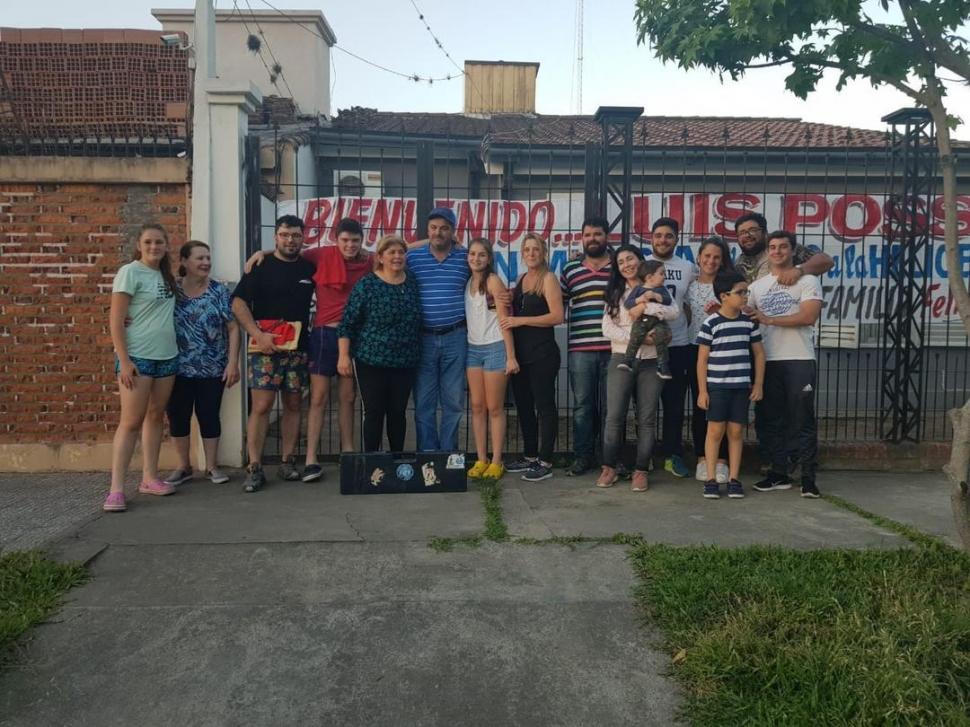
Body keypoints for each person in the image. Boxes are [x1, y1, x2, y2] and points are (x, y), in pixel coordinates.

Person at [243, 217, 371, 481]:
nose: (350, 245)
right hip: (323, 333)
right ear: (336, 239)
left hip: (353, 334)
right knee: (316, 398)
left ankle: (347, 452)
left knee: (347, 398)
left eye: (355, 240)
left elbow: (402, 248)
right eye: (345, 240)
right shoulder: (321, 255)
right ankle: (308, 458)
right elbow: (289, 251)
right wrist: (262, 253)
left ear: (362, 241)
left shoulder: (369, 260)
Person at [231, 215, 316, 493]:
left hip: (298, 349)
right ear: (276, 237)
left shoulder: (309, 266)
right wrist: (257, 334)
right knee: (261, 407)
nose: (290, 240)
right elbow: (238, 302)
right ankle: (254, 467)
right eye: (284, 235)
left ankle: (287, 461)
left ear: (303, 238)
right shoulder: (260, 266)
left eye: (295, 235)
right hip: (264, 348)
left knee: (293, 405)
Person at [103, 223, 179, 512]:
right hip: (138, 358)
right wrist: (124, 360)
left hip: (167, 357)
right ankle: (116, 489)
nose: (154, 247)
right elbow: (116, 320)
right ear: (139, 244)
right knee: (130, 421)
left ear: (167, 245)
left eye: (159, 242)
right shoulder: (129, 272)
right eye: (148, 242)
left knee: (156, 416)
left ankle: (149, 477)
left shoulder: (166, 275)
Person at [598, 245, 681, 492]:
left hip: (652, 361)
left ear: (640, 260)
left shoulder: (658, 287)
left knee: (646, 419)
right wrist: (636, 337)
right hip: (622, 357)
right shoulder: (615, 293)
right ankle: (609, 468)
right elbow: (607, 328)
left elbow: (673, 311)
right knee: (614, 417)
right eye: (621, 261)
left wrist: (646, 306)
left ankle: (641, 470)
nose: (626, 264)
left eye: (630, 259)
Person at [747, 230, 823, 499]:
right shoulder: (757, 286)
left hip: (798, 359)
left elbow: (808, 316)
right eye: (773, 247)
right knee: (769, 420)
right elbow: (747, 314)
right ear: (767, 252)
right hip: (767, 361)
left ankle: (808, 478)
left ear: (792, 251)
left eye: (783, 247)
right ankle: (778, 473)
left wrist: (769, 320)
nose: (777, 251)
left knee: (801, 419)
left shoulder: (808, 280)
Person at [163, 241, 240, 487]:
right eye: (200, 258)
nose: (206, 262)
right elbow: (150, 312)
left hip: (212, 367)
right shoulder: (171, 290)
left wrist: (232, 363)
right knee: (178, 416)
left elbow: (232, 327)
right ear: (184, 261)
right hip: (177, 367)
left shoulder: (218, 291)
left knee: (209, 415)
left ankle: (212, 466)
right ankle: (183, 466)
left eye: (208, 258)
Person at [337, 235, 422, 451]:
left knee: (398, 412)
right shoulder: (367, 284)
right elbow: (347, 322)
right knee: (374, 412)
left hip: (405, 361)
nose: (397, 256)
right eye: (391, 252)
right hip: (371, 360)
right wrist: (344, 355)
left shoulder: (412, 281)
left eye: (401, 252)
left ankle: (396, 462)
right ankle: (372, 462)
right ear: (381, 257)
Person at [696, 270, 765, 499]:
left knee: (736, 431)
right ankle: (711, 479)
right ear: (724, 296)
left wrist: (758, 384)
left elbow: (758, 355)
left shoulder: (749, 324)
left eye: (747, 291)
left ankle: (735, 478)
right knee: (715, 431)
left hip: (740, 387)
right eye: (740, 292)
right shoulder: (711, 323)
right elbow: (702, 359)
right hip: (717, 386)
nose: (745, 296)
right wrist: (703, 391)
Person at [502, 233, 564, 482]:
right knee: (524, 407)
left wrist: (521, 320)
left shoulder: (548, 279)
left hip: (542, 354)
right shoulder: (521, 279)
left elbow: (557, 316)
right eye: (526, 249)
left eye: (535, 249)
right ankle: (529, 456)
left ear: (543, 252)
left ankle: (545, 460)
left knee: (545, 406)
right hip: (521, 356)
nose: (530, 253)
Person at [407, 208, 469, 451]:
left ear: (453, 231)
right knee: (424, 402)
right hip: (423, 338)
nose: (438, 232)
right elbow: (388, 251)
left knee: (453, 401)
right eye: (433, 228)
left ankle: (449, 455)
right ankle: (428, 455)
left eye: (444, 228)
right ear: (427, 231)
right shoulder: (413, 258)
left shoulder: (465, 258)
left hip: (456, 336)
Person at [560, 216, 615, 477]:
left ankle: (609, 459)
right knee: (583, 406)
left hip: (614, 348)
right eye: (588, 235)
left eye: (598, 234)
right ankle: (582, 457)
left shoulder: (619, 267)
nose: (592, 239)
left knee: (610, 407)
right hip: (580, 349)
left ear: (607, 237)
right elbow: (555, 304)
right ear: (582, 239)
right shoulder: (570, 270)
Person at [463, 238, 519, 479]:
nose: (476, 259)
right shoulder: (467, 282)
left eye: (482, 255)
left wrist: (511, 356)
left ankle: (497, 460)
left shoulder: (493, 281)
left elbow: (504, 319)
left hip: (495, 347)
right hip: (472, 348)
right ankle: (481, 458)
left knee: (494, 407)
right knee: (477, 407)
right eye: (472, 254)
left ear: (489, 259)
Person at [647, 217, 697, 480]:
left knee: (675, 405)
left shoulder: (688, 267)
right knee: (645, 404)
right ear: (651, 238)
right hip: (647, 347)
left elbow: (690, 302)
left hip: (678, 345)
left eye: (668, 236)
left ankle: (672, 455)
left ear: (677, 239)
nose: (663, 240)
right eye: (658, 235)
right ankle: (646, 454)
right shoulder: (643, 264)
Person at [685, 236, 735, 483]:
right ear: (699, 258)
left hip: (725, 352)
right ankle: (703, 459)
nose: (711, 261)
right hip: (697, 350)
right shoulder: (691, 286)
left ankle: (723, 460)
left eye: (717, 257)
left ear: (723, 260)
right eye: (707, 256)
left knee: (723, 407)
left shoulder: (729, 286)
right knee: (701, 405)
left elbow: (741, 312)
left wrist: (723, 313)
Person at [734, 212, 834, 284]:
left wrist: (799, 270)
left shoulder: (781, 250)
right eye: (742, 233)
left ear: (765, 232)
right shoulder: (739, 263)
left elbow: (826, 261)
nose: (747, 235)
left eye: (752, 230)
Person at [615, 259, 673, 378]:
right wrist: (640, 299)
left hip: (658, 323)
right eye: (661, 274)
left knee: (661, 336)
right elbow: (628, 304)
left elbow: (668, 301)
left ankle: (662, 366)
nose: (664, 277)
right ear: (649, 277)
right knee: (635, 336)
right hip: (641, 321)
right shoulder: (638, 289)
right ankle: (628, 360)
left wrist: (657, 296)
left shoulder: (662, 289)